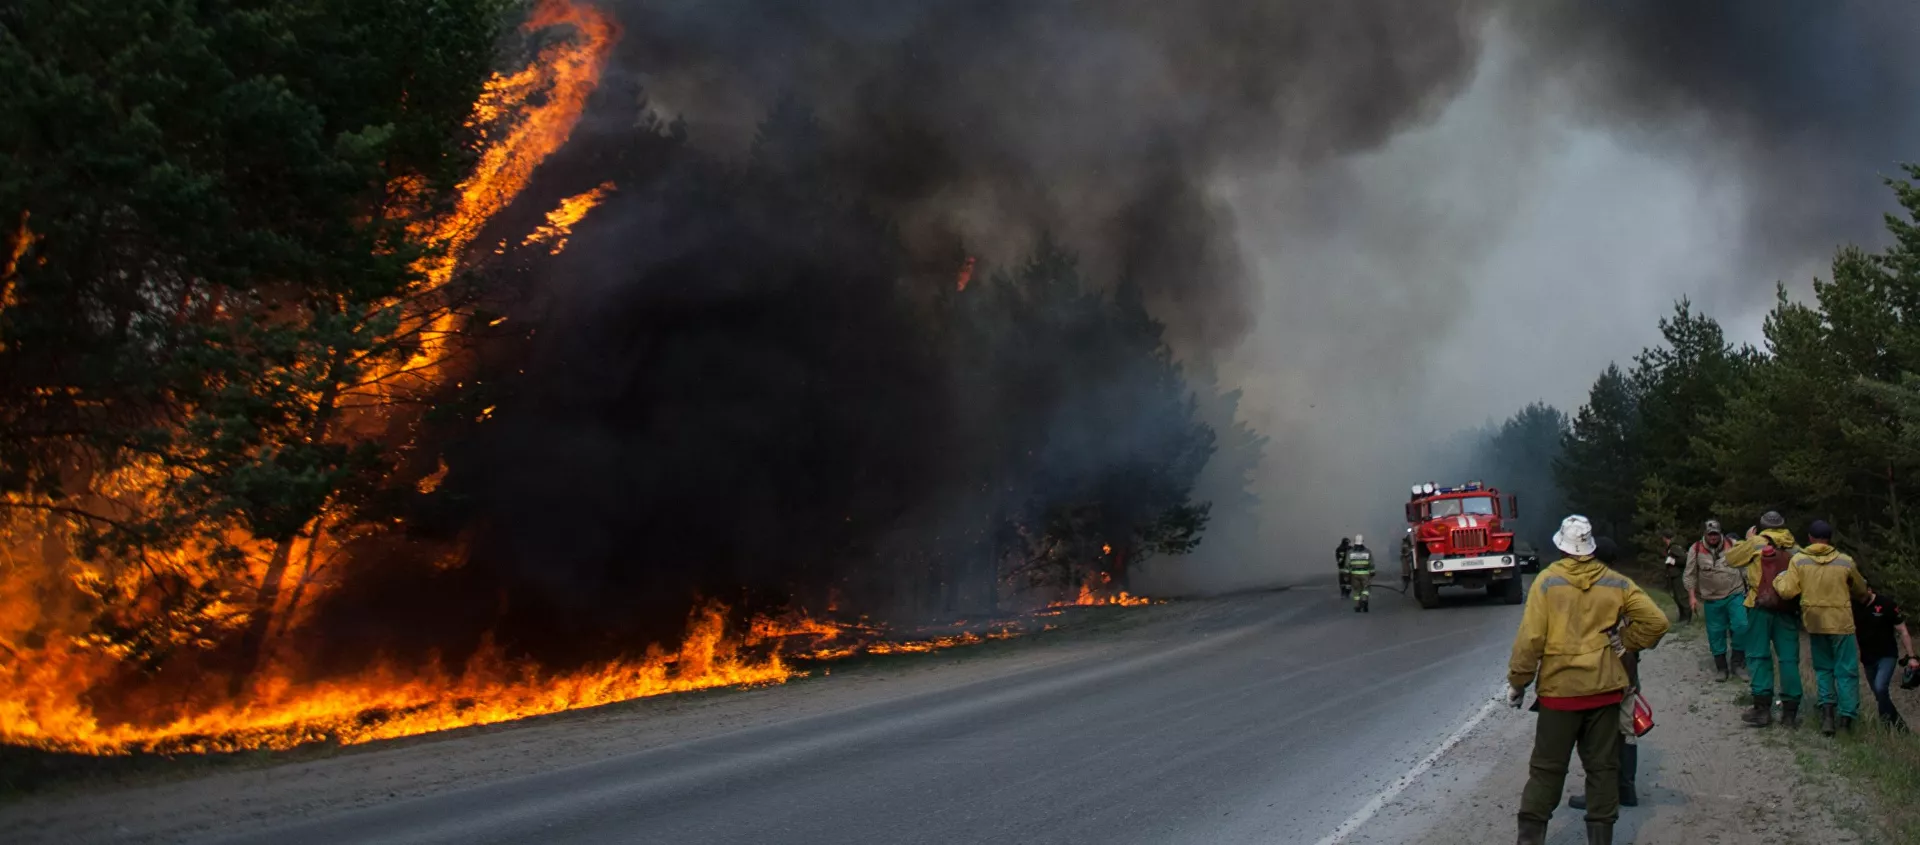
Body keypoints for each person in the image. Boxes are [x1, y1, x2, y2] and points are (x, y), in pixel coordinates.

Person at [1509, 516, 1670, 845]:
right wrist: (1625, 641)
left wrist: (1518, 682)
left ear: (1561, 545)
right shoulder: (1616, 583)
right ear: (1591, 546)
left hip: (1559, 694)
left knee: (1546, 770)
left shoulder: (1546, 582)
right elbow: (1657, 622)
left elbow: (1530, 640)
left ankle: (1529, 839)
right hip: (1604, 693)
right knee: (1602, 771)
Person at [1566, 537, 1651, 812]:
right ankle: (1627, 789)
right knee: (1626, 729)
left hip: (1597, 669)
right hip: (1627, 666)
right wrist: (1632, 646)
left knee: (1595, 732)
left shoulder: (1586, 589)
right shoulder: (1626, 587)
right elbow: (1650, 622)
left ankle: (1599, 795)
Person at [1772, 520, 1870, 735]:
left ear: (1810, 538)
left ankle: (1827, 715)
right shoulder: (1845, 562)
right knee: (1846, 671)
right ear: (1830, 538)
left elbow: (1787, 591)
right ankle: (1846, 720)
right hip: (1841, 623)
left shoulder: (1799, 561)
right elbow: (1861, 589)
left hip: (1815, 622)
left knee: (1824, 669)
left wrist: (1778, 579)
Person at [1727, 511, 1801, 728]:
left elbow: (1731, 558)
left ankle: (1762, 710)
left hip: (1758, 606)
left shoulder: (1755, 542)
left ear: (1762, 526)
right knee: (1788, 659)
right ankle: (1789, 713)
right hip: (1787, 607)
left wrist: (1749, 539)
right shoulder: (1794, 546)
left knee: (1758, 656)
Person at [1684, 520, 1749, 681]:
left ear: (1720, 533)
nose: (1713, 537)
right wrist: (1692, 597)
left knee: (1741, 626)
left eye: (1715, 534)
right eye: (1710, 534)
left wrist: (1750, 588)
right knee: (1716, 633)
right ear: (1705, 534)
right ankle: (1721, 668)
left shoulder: (1733, 544)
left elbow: (1745, 567)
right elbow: (1689, 574)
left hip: (1735, 593)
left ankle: (1737, 664)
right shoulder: (1696, 549)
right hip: (1712, 598)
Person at [1854, 587, 1918, 730]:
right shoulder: (1854, 605)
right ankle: (1901, 728)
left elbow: (1903, 630)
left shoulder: (1886, 604)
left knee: (1880, 686)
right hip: (1867, 658)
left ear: (1869, 590)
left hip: (1887, 655)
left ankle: (1885, 727)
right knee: (1879, 695)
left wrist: (1912, 657)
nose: (1861, 599)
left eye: (1863, 595)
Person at [1661, 534, 1692, 624]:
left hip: (1679, 576)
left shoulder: (1674, 547)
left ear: (1665, 538)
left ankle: (1687, 618)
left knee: (1682, 597)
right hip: (1673, 576)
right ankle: (1682, 618)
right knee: (1677, 598)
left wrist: (1673, 561)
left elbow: (1685, 559)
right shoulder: (1670, 548)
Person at [1346, 535, 1374, 613]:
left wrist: (1347, 574)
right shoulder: (1367, 551)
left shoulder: (1350, 552)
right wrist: (1372, 572)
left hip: (1354, 574)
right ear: (1362, 541)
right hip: (1365, 574)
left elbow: (1347, 564)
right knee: (1366, 588)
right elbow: (1371, 563)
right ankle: (1364, 600)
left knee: (1356, 590)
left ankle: (1357, 606)